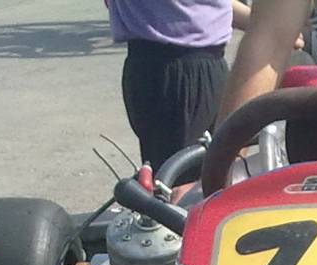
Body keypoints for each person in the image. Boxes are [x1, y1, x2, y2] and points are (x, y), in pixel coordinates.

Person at [107, 0, 253, 171]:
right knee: (183, 175)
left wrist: (268, 27)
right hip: (174, 67)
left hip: (195, 64)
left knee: (213, 171)